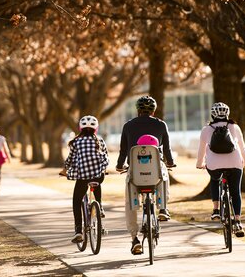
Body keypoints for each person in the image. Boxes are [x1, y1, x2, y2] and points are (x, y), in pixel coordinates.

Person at [115, 96, 175, 255]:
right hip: (155, 171)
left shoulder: (128, 126)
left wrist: (120, 165)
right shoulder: (161, 125)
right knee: (164, 175)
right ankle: (163, 208)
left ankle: (134, 239)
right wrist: (170, 162)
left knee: (129, 202)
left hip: (135, 172)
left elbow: (123, 150)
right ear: (154, 110)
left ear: (138, 110)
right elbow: (167, 149)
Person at [196, 102, 245, 238]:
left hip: (214, 165)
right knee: (235, 192)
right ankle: (237, 221)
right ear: (227, 113)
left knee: (214, 179)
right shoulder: (234, 127)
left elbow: (201, 151)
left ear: (213, 114)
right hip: (235, 163)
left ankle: (216, 209)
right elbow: (242, 147)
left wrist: (200, 164)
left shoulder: (206, 129)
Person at [60, 116, 109, 244]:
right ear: (95, 129)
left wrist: (64, 171)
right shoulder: (100, 140)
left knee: (76, 201)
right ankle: (100, 206)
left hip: (82, 177)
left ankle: (78, 231)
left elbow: (70, 160)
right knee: (97, 181)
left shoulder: (76, 142)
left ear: (80, 128)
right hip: (98, 176)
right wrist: (103, 169)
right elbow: (106, 157)